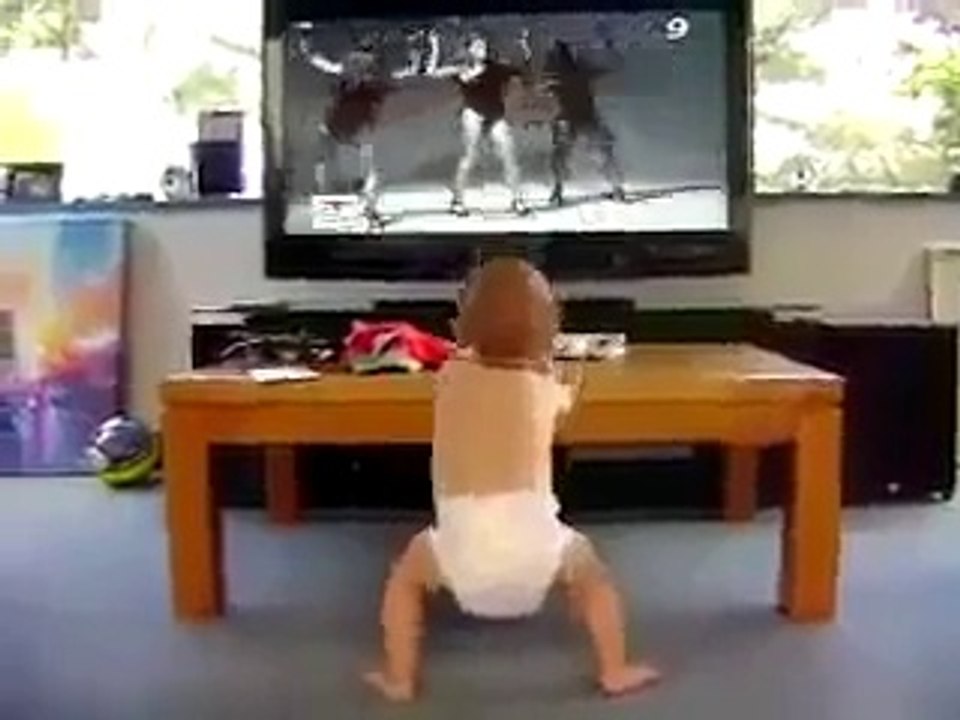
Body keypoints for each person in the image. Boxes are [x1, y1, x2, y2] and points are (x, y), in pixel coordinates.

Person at [364, 257, 661, 702]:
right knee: (593, 577)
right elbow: (556, 411)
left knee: (403, 580)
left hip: (459, 556)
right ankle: (614, 669)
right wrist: (565, 386)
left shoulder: (451, 378)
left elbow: (467, 369)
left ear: (463, 324)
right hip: (539, 553)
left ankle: (400, 678)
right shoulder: (541, 388)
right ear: (548, 332)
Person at [299, 31, 420, 227]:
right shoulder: (376, 76)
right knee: (373, 170)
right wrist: (414, 49)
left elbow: (318, 60)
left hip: (341, 127)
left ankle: (361, 210)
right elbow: (408, 72)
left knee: (362, 169)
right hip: (350, 128)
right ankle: (365, 211)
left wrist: (306, 42)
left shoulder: (352, 70)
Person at [425, 30, 532, 217]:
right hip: (473, 113)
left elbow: (522, 68)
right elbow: (432, 72)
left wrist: (524, 45)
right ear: (469, 50)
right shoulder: (462, 69)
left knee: (508, 156)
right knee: (470, 157)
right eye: (478, 46)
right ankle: (457, 201)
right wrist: (435, 46)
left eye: (484, 45)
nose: (483, 49)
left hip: (495, 114)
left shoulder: (496, 67)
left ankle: (518, 199)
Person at [540, 38, 627, 207]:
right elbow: (606, 70)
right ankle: (617, 189)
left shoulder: (556, 75)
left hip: (570, 118)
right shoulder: (580, 70)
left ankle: (558, 191)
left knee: (562, 155)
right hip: (583, 117)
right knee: (600, 152)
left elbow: (544, 88)